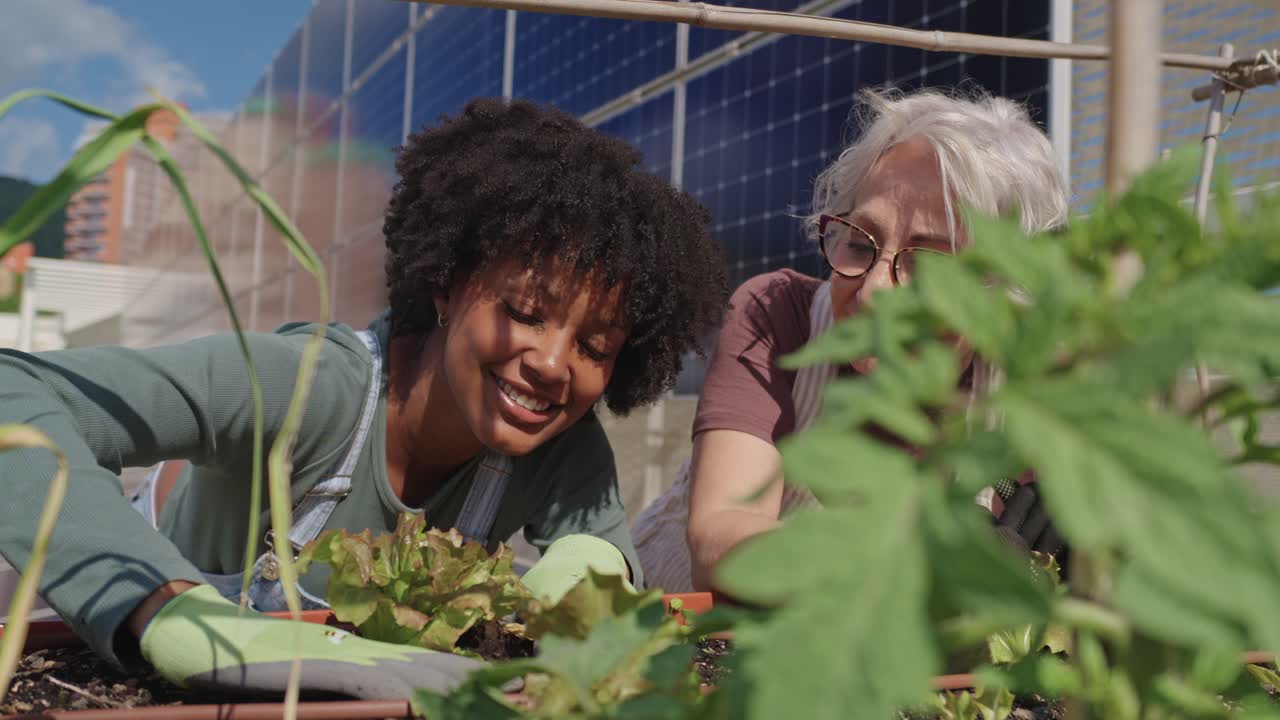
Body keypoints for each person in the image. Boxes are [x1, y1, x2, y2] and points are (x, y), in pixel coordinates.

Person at [0, 98, 728, 699]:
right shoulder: (307, 384)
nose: (551, 362)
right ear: (446, 283)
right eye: (526, 310)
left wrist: (582, 576)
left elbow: (605, 558)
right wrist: (174, 618)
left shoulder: (559, 445)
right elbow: (13, 390)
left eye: (595, 347)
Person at [632, 87, 1070, 594]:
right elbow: (720, 542)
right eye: (861, 243)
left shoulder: (1017, 390)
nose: (873, 290)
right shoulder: (778, 317)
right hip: (671, 642)